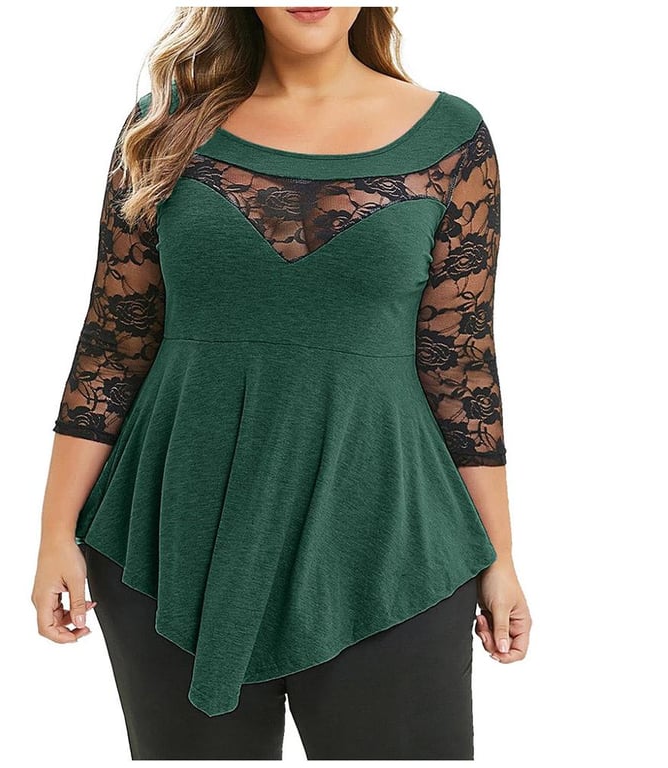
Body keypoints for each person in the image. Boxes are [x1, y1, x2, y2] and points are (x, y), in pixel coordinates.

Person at [31, 5, 532, 760]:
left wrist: (501, 557)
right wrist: (53, 536)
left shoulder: (453, 138)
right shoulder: (165, 127)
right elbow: (113, 343)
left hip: (391, 542)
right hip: (171, 538)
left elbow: (461, 367)